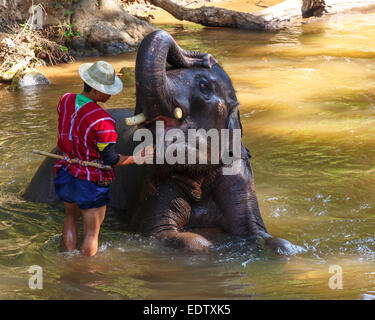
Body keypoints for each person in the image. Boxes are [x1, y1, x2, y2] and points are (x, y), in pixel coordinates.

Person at [53, 61, 153, 256]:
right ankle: (87, 276)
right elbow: (111, 159)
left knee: (71, 218)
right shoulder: (103, 121)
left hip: (66, 170)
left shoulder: (65, 100)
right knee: (92, 233)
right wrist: (137, 158)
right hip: (90, 181)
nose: (110, 94)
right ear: (96, 91)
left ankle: (66, 259)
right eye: (107, 90)